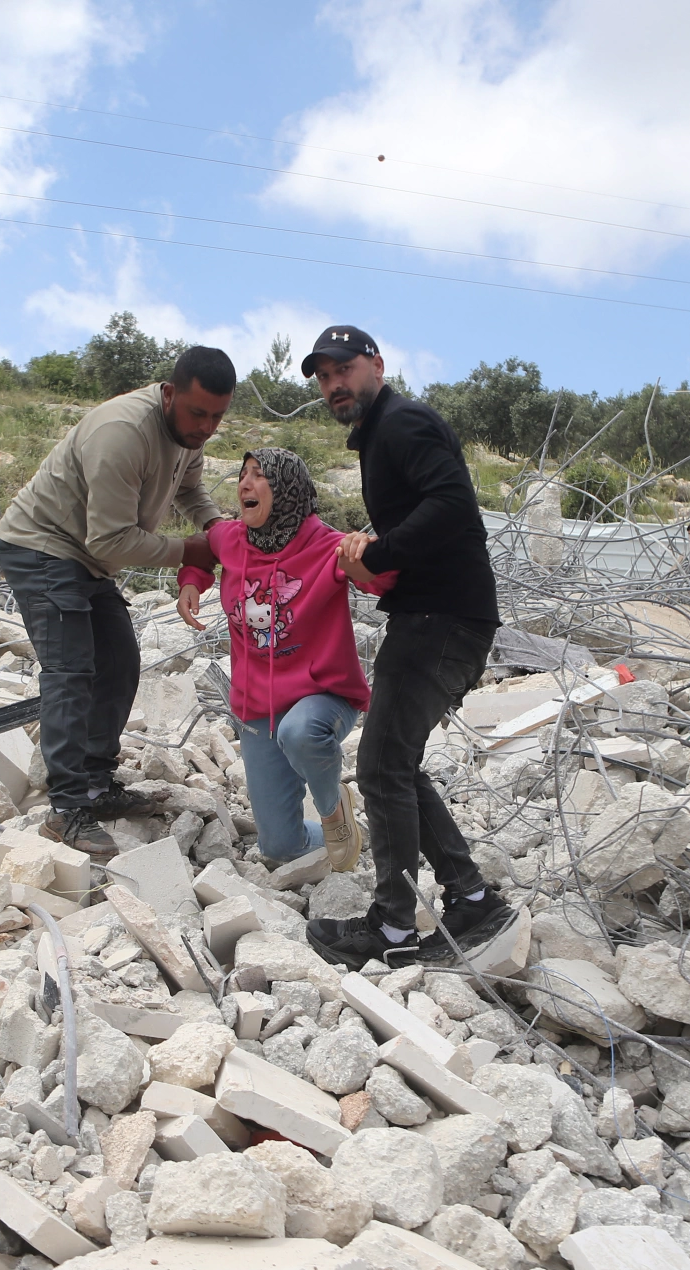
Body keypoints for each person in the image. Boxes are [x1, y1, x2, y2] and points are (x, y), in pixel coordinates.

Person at [301, 324, 511, 968]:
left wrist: (382, 551)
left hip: (440, 621)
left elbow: (452, 505)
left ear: (377, 366)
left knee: (381, 767)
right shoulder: (384, 434)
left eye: (345, 369)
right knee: (397, 763)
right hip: (441, 617)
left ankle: (393, 929)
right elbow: (430, 512)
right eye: (323, 375)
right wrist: (378, 551)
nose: (334, 383)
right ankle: (470, 897)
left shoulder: (401, 424)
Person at [0, 347, 233, 856]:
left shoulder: (189, 434)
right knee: (71, 669)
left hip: (88, 556)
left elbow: (191, 491)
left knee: (121, 663)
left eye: (218, 415)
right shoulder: (121, 434)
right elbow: (110, 541)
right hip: (43, 545)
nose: (207, 427)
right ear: (169, 394)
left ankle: (97, 786)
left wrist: (218, 529)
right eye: (198, 413)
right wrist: (189, 550)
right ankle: (67, 809)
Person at [177, 449, 395, 871]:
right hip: (257, 709)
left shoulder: (327, 546)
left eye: (260, 476)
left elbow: (386, 581)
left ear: (287, 488)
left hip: (324, 697)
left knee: (300, 732)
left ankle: (333, 812)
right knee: (278, 847)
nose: (245, 484)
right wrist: (192, 581)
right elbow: (201, 550)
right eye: (243, 475)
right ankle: (355, 835)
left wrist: (368, 554)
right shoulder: (231, 538)